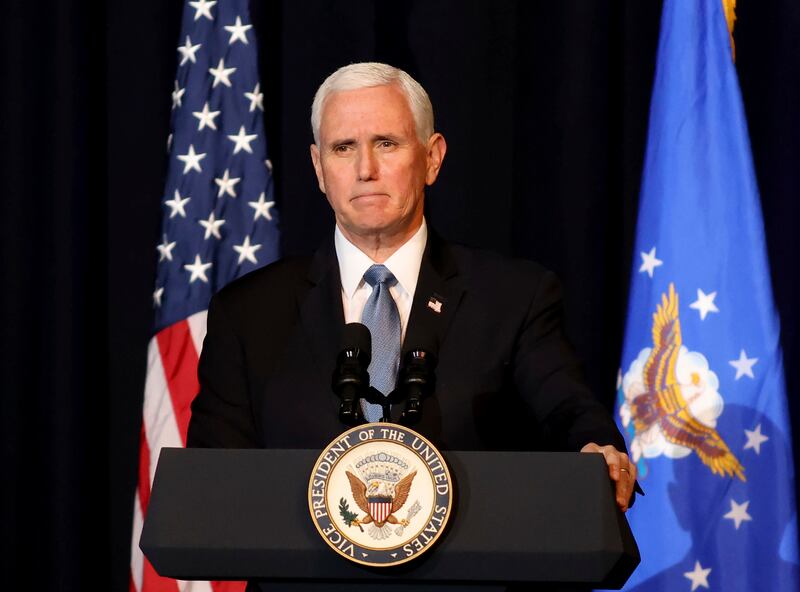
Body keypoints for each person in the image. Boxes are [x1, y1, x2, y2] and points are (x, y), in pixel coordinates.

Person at [187, 62, 638, 512]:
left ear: (432, 158)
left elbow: (568, 411)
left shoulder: (514, 297)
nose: (366, 169)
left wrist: (594, 447)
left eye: (386, 143)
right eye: (343, 147)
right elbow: (209, 483)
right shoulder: (248, 313)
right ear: (319, 168)